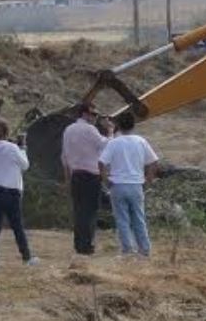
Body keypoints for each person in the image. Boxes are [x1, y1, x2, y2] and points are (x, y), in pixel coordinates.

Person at [99, 111, 160, 257]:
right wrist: (148, 180)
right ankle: (144, 249)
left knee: (122, 219)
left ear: (118, 126)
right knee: (139, 218)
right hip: (136, 185)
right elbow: (154, 162)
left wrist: (106, 180)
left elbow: (101, 163)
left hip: (118, 185)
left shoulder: (114, 143)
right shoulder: (141, 141)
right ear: (133, 125)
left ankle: (127, 250)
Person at [0, 119, 37, 265]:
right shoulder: (12, 148)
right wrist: (22, 147)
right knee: (17, 226)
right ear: (6, 132)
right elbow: (25, 165)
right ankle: (26, 257)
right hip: (10, 191)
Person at [60, 101, 105, 255]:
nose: (95, 117)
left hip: (76, 174)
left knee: (79, 210)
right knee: (90, 211)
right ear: (85, 114)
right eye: (94, 114)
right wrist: (111, 132)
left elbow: (64, 156)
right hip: (91, 175)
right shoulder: (90, 129)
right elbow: (105, 145)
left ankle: (79, 244)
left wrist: (67, 178)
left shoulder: (68, 130)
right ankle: (87, 245)